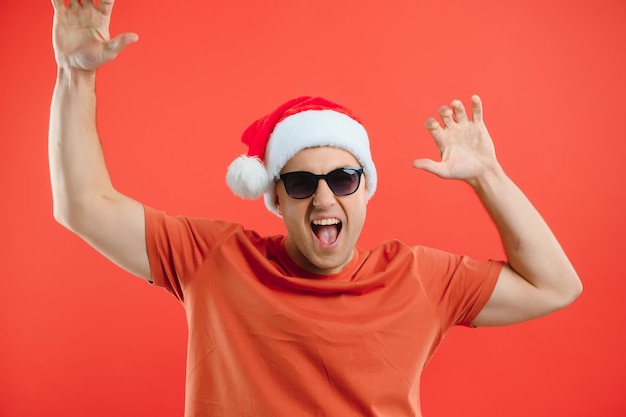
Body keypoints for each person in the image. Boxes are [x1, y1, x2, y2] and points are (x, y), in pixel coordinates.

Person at [49, 1, 582, 416]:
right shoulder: (213, 259)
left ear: (366, 188)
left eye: (344, 179)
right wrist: (75, 75)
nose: (325, 198)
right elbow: (83, 205)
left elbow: (556, 285)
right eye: (303, 182)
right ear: (276, 196)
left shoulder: (417, 278)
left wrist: (488, 176)